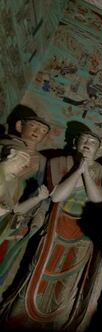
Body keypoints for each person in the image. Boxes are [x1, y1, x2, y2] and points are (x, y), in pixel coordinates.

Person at [4, 130, 102, 332]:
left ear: (99, 149)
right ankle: (19, 321)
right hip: (56, 226)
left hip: (83, 232)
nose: (87, 143)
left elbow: (98, 200)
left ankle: (56, 325)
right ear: (76, 142)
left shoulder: (100, 169)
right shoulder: (60, 161)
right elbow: (58, 195)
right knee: (40, 272)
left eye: (93, 142)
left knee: (69, 279)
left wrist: (87, 172)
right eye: (84, 139)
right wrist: (78, 170)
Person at [0, 113, 51, 299]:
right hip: (2, 206)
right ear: (20, 125)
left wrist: (36, 218)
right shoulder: (6, 145)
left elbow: (42, 191)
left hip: (19, 217)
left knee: (5, 260)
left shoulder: (43, 160)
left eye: (43, 131)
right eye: (34, 127)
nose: (38, 132)